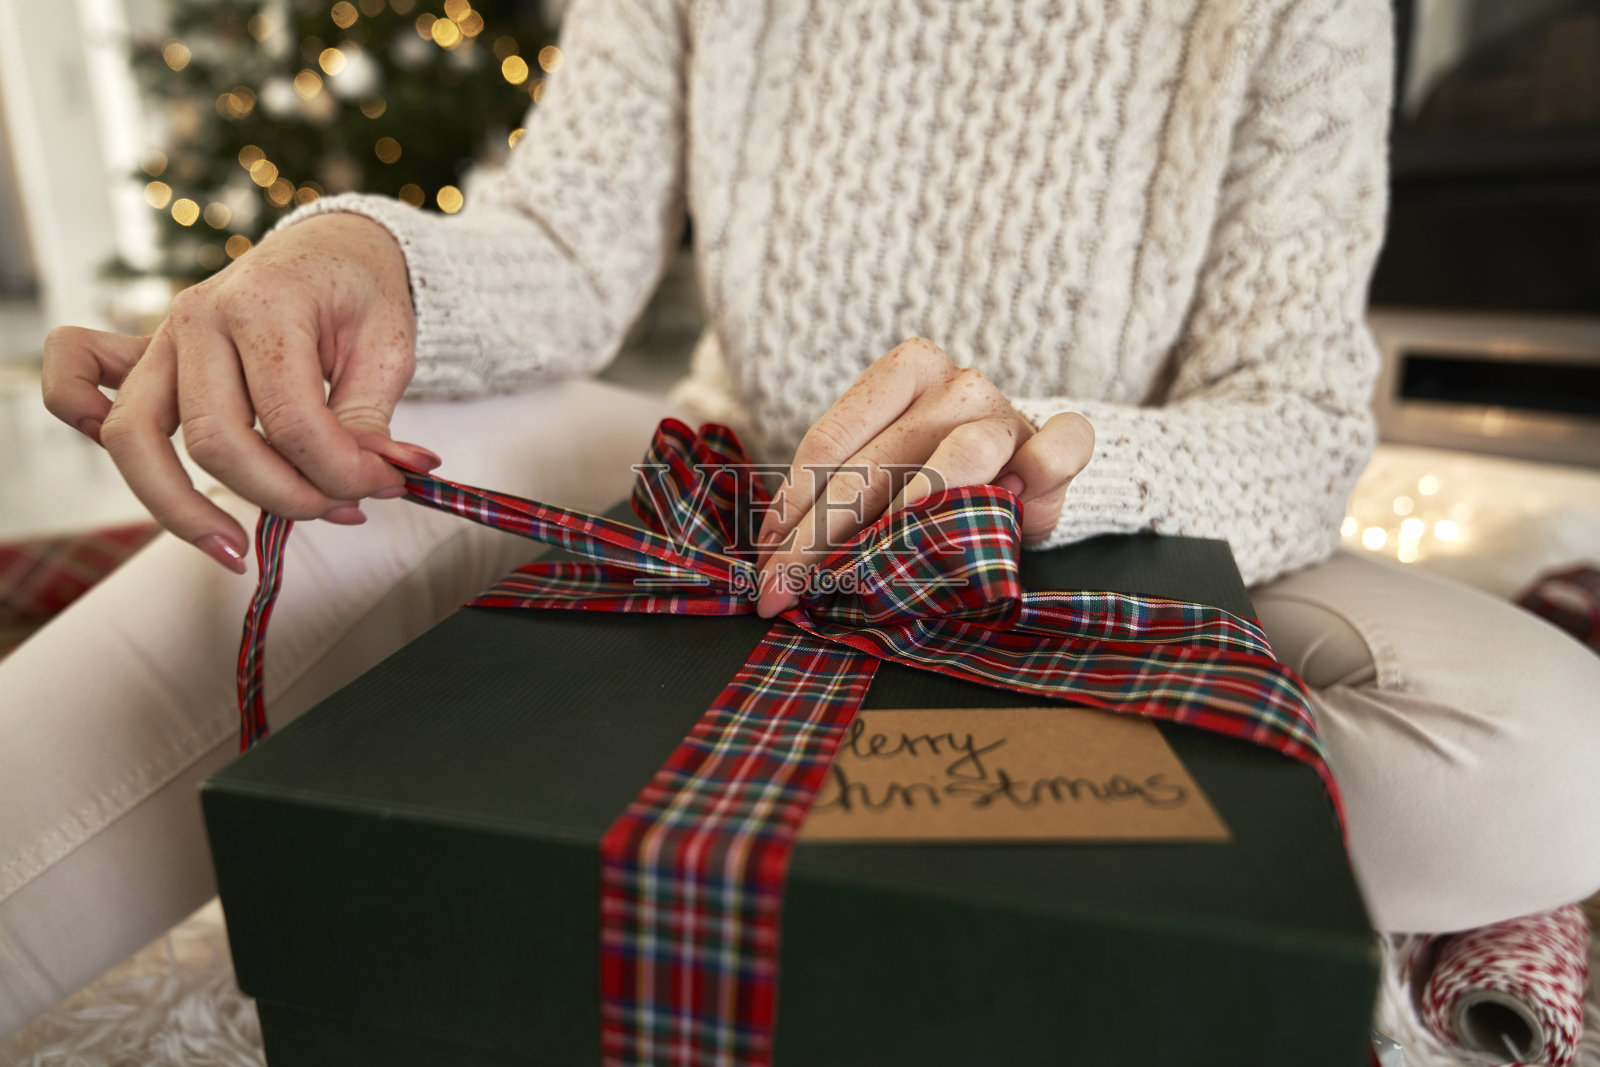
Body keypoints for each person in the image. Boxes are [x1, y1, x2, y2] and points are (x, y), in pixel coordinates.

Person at [7, 0, 1600, 1040]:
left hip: (1105, 517)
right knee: (358, 467)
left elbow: (1301, 418)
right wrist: (360, 261)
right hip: (729, 483)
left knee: (1552, 748)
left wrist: (1059, 463)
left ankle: (667, 799)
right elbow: (565, 248)